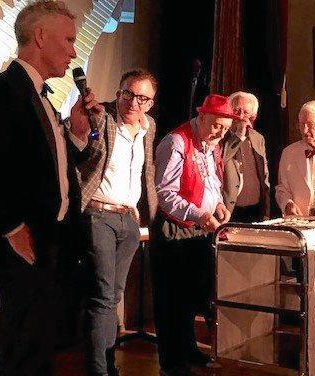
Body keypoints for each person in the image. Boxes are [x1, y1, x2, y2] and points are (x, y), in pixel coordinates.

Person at [0, 2, 78, 374]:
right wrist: (11, 227)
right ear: (40, 37)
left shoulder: (40, 95)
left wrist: (79, 135)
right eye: (69, 40)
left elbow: (47, 167)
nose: (74, 52)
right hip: (21, 243)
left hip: (47, 239)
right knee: (23, 351)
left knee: (39, 346)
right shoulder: (4, 90)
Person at [68, 69, 158, 376]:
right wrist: (85, 118)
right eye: (127, 94)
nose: (133, 102)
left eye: (142, 97)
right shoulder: (102, 119)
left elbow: (146, 172)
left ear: (151, 102)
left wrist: (147, 214)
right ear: (118, 93)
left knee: (113, 297)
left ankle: (106, 364)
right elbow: (85, 143)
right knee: (103, 296)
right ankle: (98, 370)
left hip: (129, 220)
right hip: (99, 215)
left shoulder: (150, 127)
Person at [151, 94, 240, 376]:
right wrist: (199, 215)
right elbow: (164, 194)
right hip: (174, 229)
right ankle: (171, 362)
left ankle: (188, 350)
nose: (220, 133)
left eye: (225, 129)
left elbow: (211, 184)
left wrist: (219, 206)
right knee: (171, 300)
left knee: (190, 298)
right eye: (216, 126)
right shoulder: (176, 141)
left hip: (200, 231)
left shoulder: (211, 145)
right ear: (201, 117)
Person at [220, 91, 270, 222]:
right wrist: (239, 136)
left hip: (255, 209)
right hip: (229, 210)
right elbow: (220, 161)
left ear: (253, 116)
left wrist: (267, 210)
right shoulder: (220, 135)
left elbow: (265, 176)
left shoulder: (258, 138)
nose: (241, 116)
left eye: (246, 112)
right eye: (236, 111)